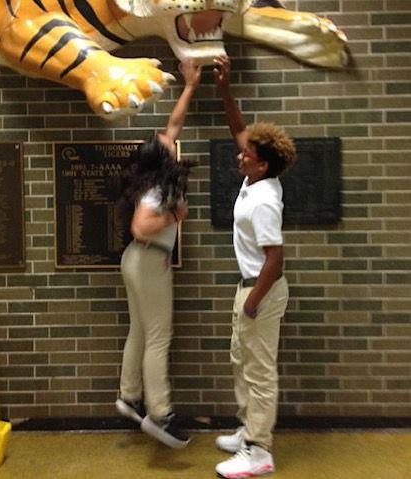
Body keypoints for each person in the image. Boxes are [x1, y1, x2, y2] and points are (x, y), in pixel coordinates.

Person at [212, 55, 297, 477]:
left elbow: (275, 259)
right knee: (240, 361)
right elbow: (238, 128)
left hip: (260, 290)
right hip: (249, 287)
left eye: (247, 154)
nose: (240, 154)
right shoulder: (256, 178)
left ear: (262, 164)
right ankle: (248, 429)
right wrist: (225, 88)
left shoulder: (264, 201)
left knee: (260, 372)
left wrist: (253, 303)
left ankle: (259, 451)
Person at [115, 58, 202, 449]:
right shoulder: (159, 192)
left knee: (140, 330)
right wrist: (174, 218)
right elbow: (140, 226)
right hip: (149, 259)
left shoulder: (155, 178)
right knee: (158, 338)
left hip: (137, 259)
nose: (169, 137)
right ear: (165, 159)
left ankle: (129, 395)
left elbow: (174, 124)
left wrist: (190, 86)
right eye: (166, 143)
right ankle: (160, 414)